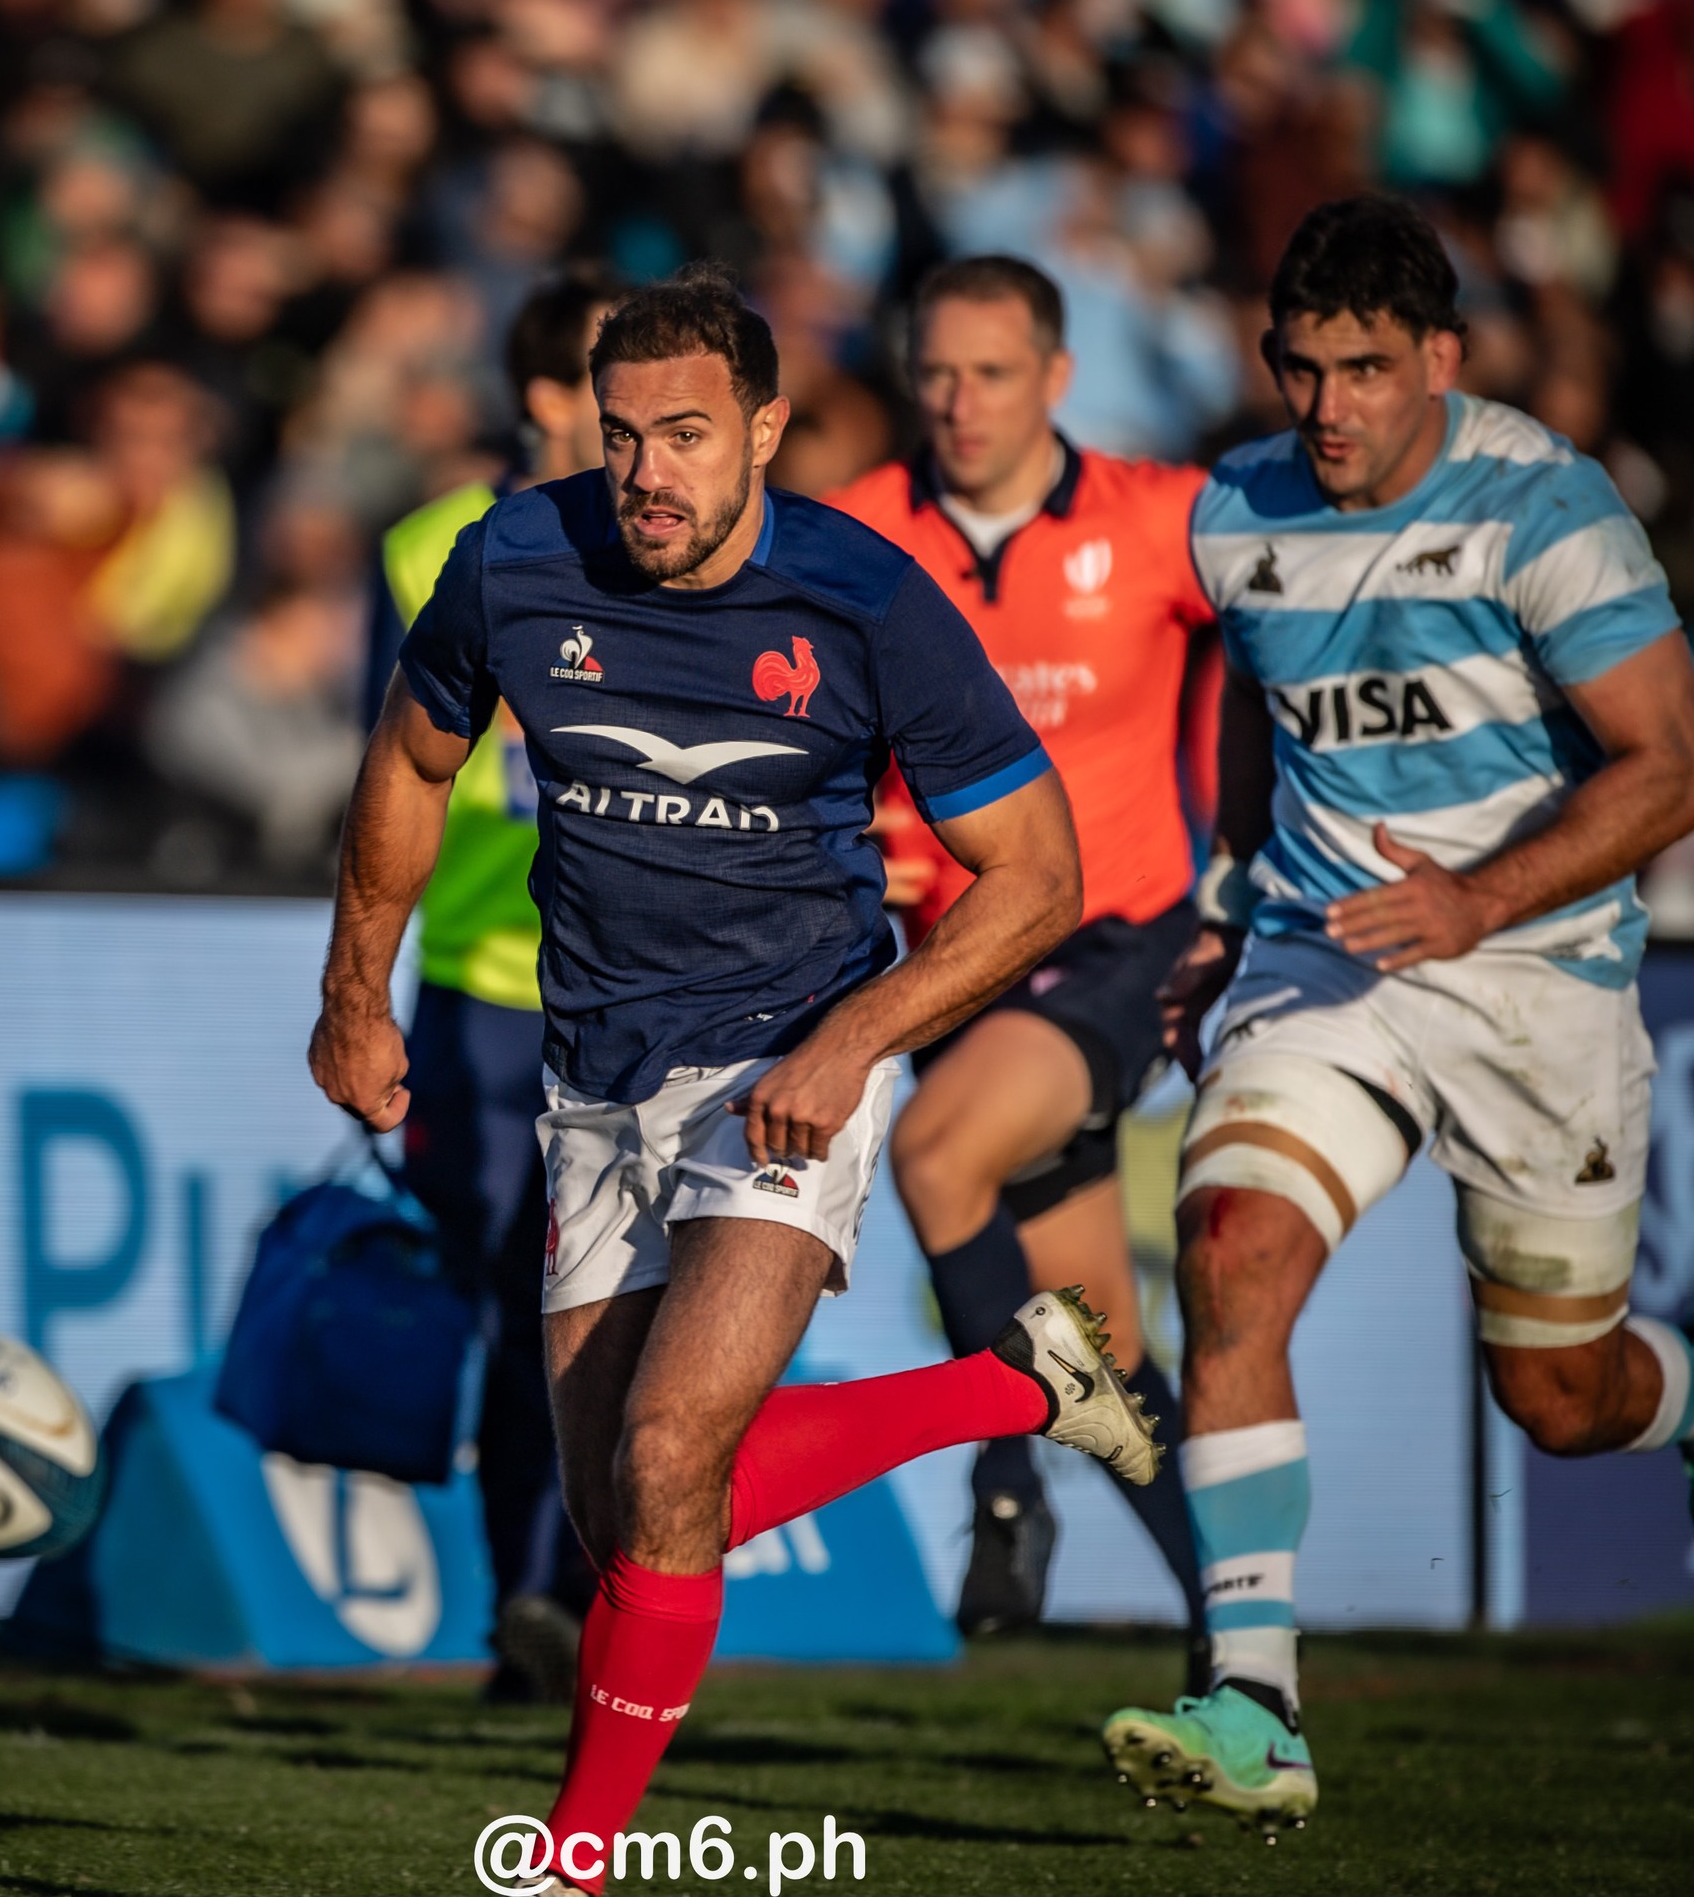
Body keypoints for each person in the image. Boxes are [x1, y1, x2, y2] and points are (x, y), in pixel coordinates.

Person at [309, 264, 1161, 1896]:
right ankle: (1019, 1385)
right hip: (595, 1078)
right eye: (622, 435)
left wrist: (856, 1041)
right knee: (622, 1513)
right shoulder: (515, 557)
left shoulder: (866, 594)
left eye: (688, 435)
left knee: (673, 1450)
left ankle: (570, 1864)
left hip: (788, 1057)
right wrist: (355, 991)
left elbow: (1038, 875)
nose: (647, 473)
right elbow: (413, 762)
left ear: (768, 428)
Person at [1103, 195, 1694, 1836]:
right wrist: (1229, 902)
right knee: (1226, 1249)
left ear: (1443, 355)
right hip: (1322, 961)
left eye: (1368, 369)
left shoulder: (1547, 508)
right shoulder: (1239, 509)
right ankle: (1258, 1710)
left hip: (1532, 977)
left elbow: (1672, 760)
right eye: (1303, 368)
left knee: (1559, 1402)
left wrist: (1476, 902)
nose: (1332, 408)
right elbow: (1255, 702)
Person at [830, 255, 1213, 1664]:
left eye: (992, 373)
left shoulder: (1164, 518)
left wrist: (1248, 860)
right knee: (1101, 1340)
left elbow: (1280, 654)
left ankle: (1000, 1488)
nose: (960, 401)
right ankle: (1236, 1631)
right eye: (936, 372)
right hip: (961, 954)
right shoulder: (862, 530)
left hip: (1118, 937)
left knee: (936, 1155)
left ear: (1058, 377)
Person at [368, 266, 623, 1704]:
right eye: (605, 383)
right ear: (540, 398)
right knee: (516, 1307)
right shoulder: (426, 549)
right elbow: (384, 771)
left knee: (596, 1303)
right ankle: (527, 1605)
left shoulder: (676, 548)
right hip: (480, 984)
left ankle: (566, 1602)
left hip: (624, 989)